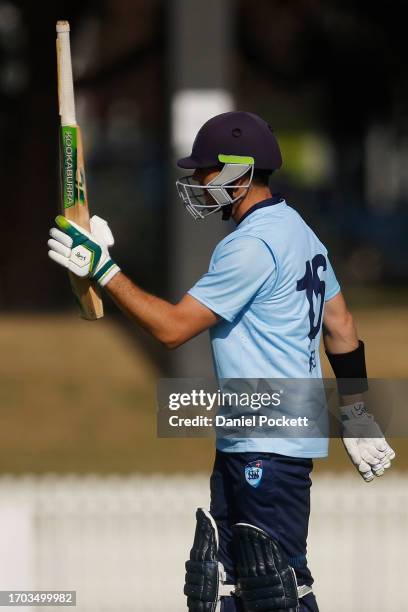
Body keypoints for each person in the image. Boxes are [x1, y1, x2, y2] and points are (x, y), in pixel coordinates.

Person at [48, 111, 395, 611]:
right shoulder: (299, 230)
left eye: (205, 172)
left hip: (269, 443)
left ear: (239, 171)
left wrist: (103, 269)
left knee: (276, 587)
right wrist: (357, 412)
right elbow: (341, 327)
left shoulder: (250, 245)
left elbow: (171, 329)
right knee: (222, 589)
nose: (196, 182)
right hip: (255, 434)